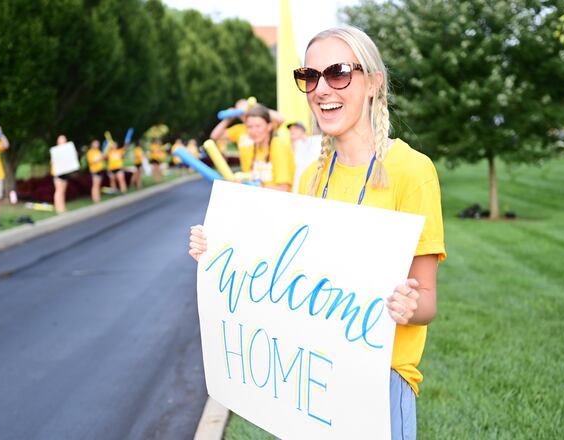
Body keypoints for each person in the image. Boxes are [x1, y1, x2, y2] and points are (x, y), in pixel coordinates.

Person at [189, 25, 445, 440]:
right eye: (310, 76)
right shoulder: (311, 176)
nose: (322, 88)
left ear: (373, 83)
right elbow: (283, 274)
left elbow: (427, 303)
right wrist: (218, 252)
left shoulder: (412, 171)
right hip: (314, 377)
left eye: (339, 72)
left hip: (378, 380)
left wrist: (405, 306)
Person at [235, 104, 295, 191]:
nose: (253, 131)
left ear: (269, 126)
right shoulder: (252, 148)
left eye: (258, 126)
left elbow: (284, 189)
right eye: (249, 127)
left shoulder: (278, 146)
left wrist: (249, 185)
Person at [287, 121, 322, 193]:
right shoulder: (293, 146)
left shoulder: (315, 141)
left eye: (295, 128)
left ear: (302, 130)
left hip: (309, 187)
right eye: (290, 129)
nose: (292, 131)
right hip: (295, 189)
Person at [51, 134, 71, 213]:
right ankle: (58, 208)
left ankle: (62, 207)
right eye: (61, 140)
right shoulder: (56, 151)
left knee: (63, 191)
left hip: (64, 173)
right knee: (59, 191)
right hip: (57, 173)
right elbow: (52, 162)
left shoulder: (68, 150)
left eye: (64, 140)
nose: (63, 141)